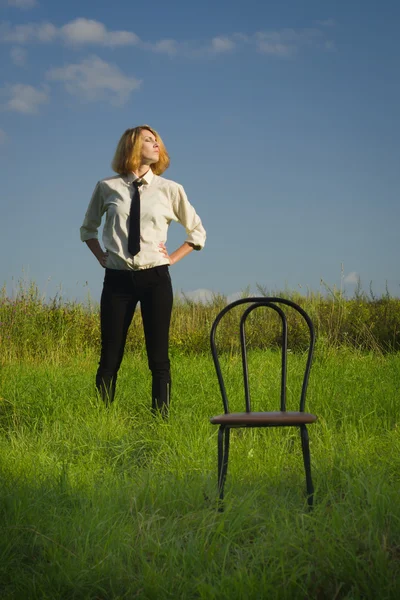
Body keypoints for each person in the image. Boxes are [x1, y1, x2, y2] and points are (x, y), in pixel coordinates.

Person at [80, 125, 206, 416]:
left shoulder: (171, 189)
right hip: (117, 280)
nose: (156, 145)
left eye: (157, 140)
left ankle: (160, 420)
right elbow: (88, 229)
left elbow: (197, 233)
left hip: (155, 279)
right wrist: (101, 256)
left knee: (158, 357)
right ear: (132, 147)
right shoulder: (107, 187)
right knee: (110, 356)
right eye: (148, 140)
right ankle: (103, 418)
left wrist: (172, 258)